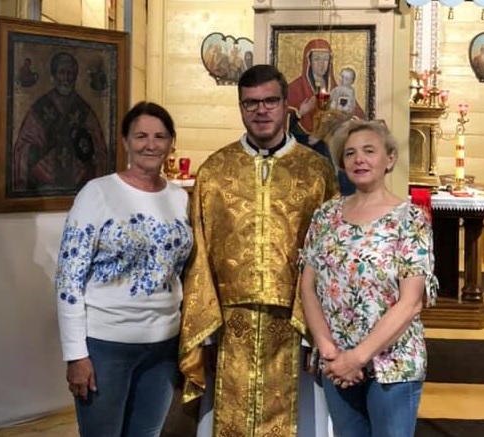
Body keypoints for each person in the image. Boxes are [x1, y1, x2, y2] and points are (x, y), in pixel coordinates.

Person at [179, 64, 339, 437]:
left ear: (286, 106)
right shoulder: (215, 171)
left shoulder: (316, 172)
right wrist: (206, 327)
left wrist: (315, 331)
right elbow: (200, 252)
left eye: (270, 101)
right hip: (230, 324)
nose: (261, 110)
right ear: (240, 107)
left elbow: (328, 254)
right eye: (250, 103)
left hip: (296, 322)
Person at [55, 101, 194, 437]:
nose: (151, 144)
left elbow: (183, 271)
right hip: (106, 345)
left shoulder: (180, 198)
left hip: (163, 345)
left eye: (160, 136)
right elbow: (69, 279)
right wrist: (76, 355)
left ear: (171, 143)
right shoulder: (98, 193)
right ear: (125, 142)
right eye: (141, 136)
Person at [299, 119, 438, 437]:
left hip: (392, 365)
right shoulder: (326, 216)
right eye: (350, 153)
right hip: (337, 363)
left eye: (369, 151)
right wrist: (328, 350)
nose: (359, 159)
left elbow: (411, 303)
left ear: (389, 159)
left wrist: (358, 358)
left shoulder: (410, 219)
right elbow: (308, 288)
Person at [12, 51, 108, 194]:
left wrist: (85, 156)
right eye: (62, 72)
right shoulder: (40, 108)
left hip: (80, 185)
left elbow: (99, 150)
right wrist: (42, 155)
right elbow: (23, 148)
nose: (66, 78)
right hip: (44, 186)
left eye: (70, 73)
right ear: (53, 76)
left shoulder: (84, 110)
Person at [288, 39, 366, 133]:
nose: (321, 64)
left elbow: (358, 114)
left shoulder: (337, 88)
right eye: (317, 59)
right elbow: (282, 123)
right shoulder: (294, 88)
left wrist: (348, 120)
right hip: (304, 139)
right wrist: (300, 112)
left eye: (325, 59)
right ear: (309, 61)